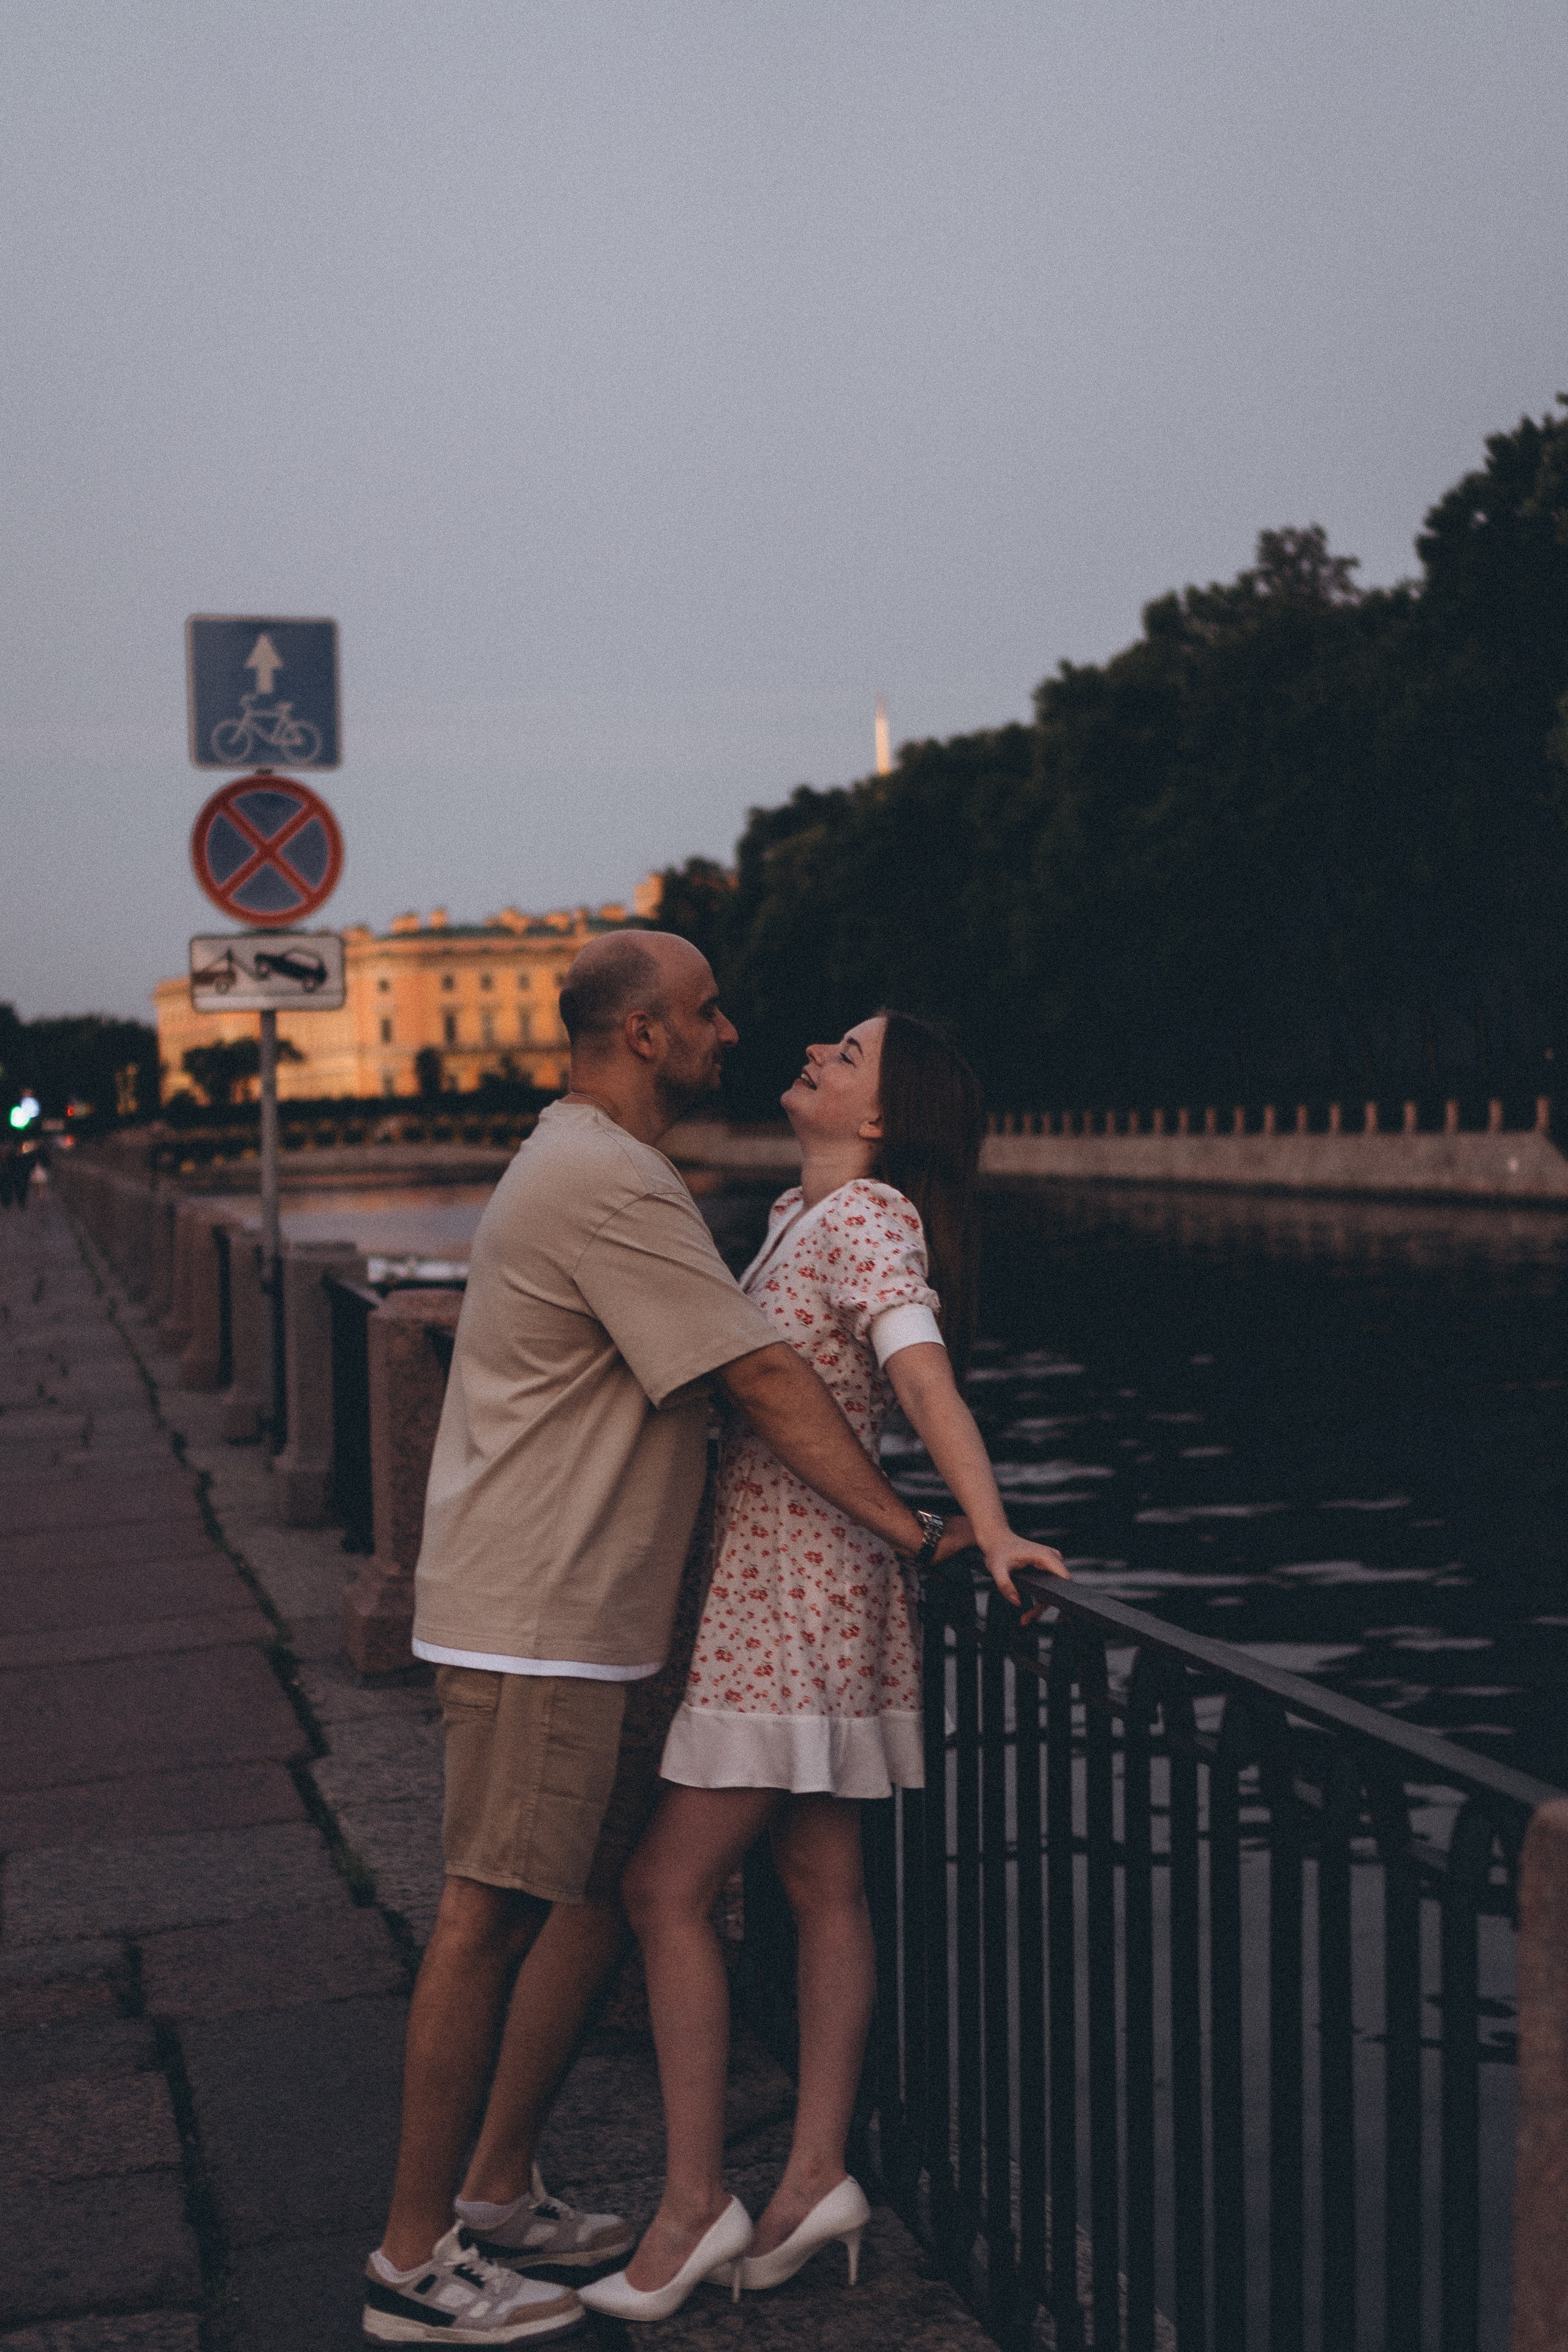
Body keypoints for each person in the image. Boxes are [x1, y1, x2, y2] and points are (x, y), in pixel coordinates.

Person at [363, 940, 976, 2346]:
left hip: (584, 1610)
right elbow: (758, 1374)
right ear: (643, 1034)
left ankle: (498, 2191)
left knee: (593, 1896)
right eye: (705, 1014)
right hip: (541, 1614)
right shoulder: (612, 1182)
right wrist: (912, 1528)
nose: (732, 1032)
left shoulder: (597, 1162)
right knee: (485, 1915)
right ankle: (409, 2264)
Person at [580, 1011, 1068, 2324]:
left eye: (847, 1054)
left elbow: (923, 1378)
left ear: (881, 1118)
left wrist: (991, 1525)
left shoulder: (864, 1218)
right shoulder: (801, 1218)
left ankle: (694, 2207)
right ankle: (812, 2179)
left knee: (663, 1888)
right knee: (819, 1883)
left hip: (794, 1596)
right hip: (798, 1586)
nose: (816, 1051)